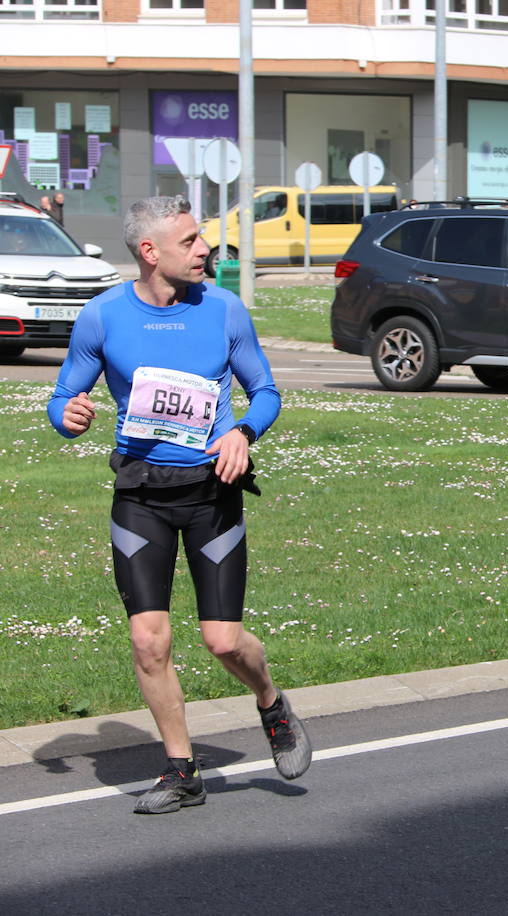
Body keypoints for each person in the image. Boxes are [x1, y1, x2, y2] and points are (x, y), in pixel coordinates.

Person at [46, 195, 311, 814]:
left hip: (210, 494)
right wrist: (72, 414)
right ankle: (180, 770)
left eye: (202, 239)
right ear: (149, 252)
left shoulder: (223, 310)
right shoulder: (103, 317)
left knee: (223, 641)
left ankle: (271, 702)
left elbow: (265, 392)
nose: (205, 249)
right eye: (191, 241)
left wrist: (243, 433)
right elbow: (62, 400)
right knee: (149, 641)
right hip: (140, 494)